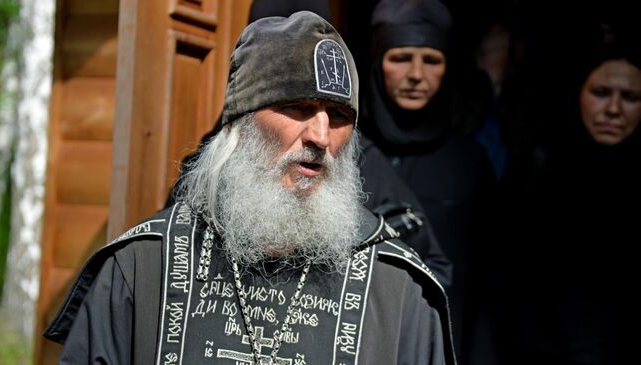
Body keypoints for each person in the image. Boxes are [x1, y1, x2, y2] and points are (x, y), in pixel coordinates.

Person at [44, 11, 456, 365]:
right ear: (238, 123)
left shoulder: (399, 290)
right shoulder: (141, 265)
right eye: (297, 107)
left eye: (338, 115)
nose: (320, 135)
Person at [359, 0, 497, 363]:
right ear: (377, 63)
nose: (416, 74)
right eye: (401, 58)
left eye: (432, 60)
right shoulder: (346, 149)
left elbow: (487, 288)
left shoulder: (469, 163)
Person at [500, 26, 641, 365]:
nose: (613, 109)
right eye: (601, 92)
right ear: (578, 92)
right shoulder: (535, 174)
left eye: (631, 97)